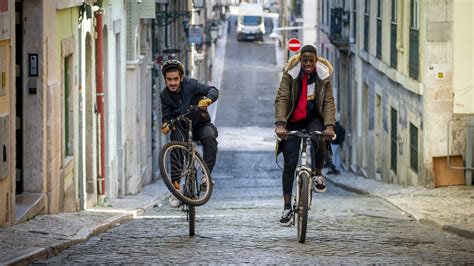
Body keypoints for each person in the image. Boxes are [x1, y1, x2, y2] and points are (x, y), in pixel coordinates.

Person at [274, 45, 336, 226]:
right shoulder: (290, 74)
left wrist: (329, 126)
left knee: (319, 138)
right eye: (305, 60)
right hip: (293, 119)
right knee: (290, 162)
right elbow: (282, 98)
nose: (308, 64)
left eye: (311, 60)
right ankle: (287, 208)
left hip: (313, 117)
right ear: (300, 61)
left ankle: (317, 174)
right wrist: (280, 124)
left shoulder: (323, 77)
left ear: (316, 61)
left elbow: (329, 102)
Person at [160, 59, 219, 208]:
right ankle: (175, 188)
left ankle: (206, 176)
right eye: (169, 80)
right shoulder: (164, 95)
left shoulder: (192, 85)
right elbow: (166, 117)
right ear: (165, 79)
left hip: (200, 123)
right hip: (180, 126)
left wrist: (208, 99)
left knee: (210, 137)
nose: (172, 83)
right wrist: (166, 124)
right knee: (176, 147)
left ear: (181, 78)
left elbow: (213, 90)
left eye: (175, 79)